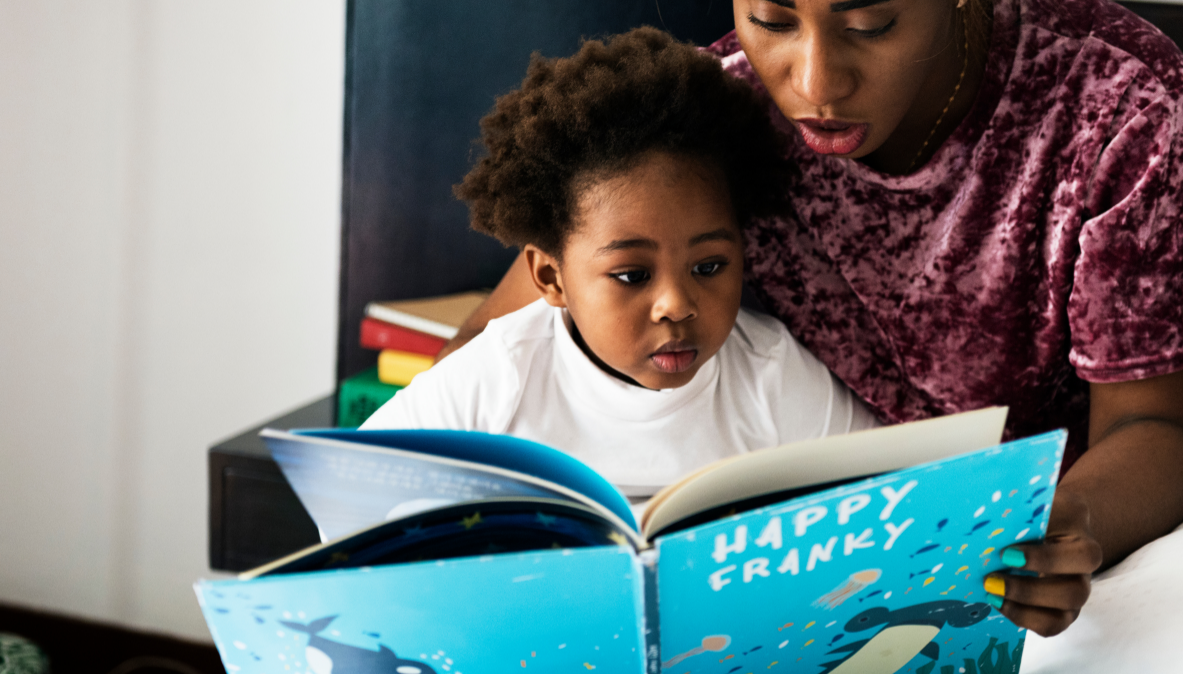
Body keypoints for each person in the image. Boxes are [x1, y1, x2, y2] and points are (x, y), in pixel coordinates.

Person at [439, 0, 1183, 646]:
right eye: (769, 17)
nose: (814, 82)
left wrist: (1048, 533)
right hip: (858, 542)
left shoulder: (1122, 106)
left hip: (1111, 524)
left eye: (870, 25)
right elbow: (500, 334)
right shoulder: (723, 109)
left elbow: (1158, 433)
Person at [363, 27, 878, 499]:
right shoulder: (497, 379)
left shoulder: (774, 377)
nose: (676, 305)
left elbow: (886, 495)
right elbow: (358, 494)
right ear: (550, 276)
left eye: (709, 267)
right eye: (632, 275)